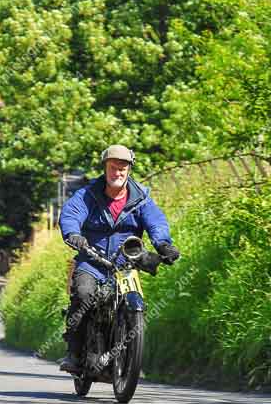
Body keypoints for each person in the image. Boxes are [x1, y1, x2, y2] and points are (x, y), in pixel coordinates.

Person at [57, 144, 180, 373]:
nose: (118, 173)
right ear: (105, 168)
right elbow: (71, 214)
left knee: (133, 299)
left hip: (126, 263)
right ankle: (74, 352)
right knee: (83, 294)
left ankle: (130, 353)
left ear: (129, 170)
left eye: (122, 168)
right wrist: (73, 234)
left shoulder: (141, 197)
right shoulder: (87, 194)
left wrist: (163, 244)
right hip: (92, 260)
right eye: (113, 168)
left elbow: (156, 221)